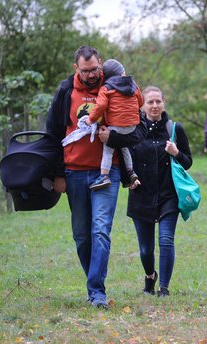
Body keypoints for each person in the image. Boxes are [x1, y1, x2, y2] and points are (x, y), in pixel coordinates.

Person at [46, 45, 147, 309]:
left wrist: (112, 137)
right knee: (82, 236)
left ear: (101, 64)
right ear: (75, 68)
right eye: (86, 70)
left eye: (95, 69)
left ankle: (96, 291)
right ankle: (95, 280)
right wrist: (57, 174)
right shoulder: (66, 92)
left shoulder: (118, 86)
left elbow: (139, 131)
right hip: (74, 172)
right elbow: (52, 135)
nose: (91, 75)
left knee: (100, 230)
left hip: (108, 172)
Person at [126, 86, 193, 297]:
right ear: (142, 105)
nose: (155, 106)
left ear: (164, 103)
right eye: (150, 102)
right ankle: (150, 276)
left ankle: (164, 288)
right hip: (141, 196)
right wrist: (129, 178)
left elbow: (188, 162)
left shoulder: (175, 129)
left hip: (168, 195)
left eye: (158, 101)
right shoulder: (133, 130)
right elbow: (126, 162)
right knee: (146, 250)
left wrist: (176, 153)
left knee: (166, 240)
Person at [62, 59, 143, 190]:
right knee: (123, 147)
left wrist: (90, 119)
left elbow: (100, 106)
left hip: (116, 126)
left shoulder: (106, 88)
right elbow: (141, 101)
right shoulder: (134, 86)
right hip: (132, 126)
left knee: (108, 147)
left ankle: (104, 176)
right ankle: (130, 171)